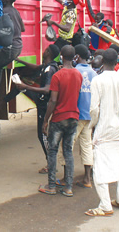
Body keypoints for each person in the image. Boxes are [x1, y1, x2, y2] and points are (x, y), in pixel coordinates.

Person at [86, 49, 119, 217]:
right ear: (117, 61)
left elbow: (94, 108)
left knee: (99, 167)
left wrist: (92, 125)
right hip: (117, 125)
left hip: (103, 126)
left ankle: (105, 205)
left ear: (102, 60)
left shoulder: (97, 81)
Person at [37, 45, 81, 197]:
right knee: (68, 151)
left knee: (53, 151)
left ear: (61, 56)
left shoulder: (57, 76)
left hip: (59, 118)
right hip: (73, 117)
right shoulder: (78, 74)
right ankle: (68, 187)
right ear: (74, 57)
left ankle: (51, 186)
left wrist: (45, 121)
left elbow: (53, 101)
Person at [9, 45, 61, 172]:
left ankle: (50, 164)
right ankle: (2, 101)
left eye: (46, 49)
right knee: (20, 88)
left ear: (48, 52)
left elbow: (47, 89)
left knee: (42, 135)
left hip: (44, 105)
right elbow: (36, 67)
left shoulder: (49, 70)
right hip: (42, 102)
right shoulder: (48, 66)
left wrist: (26, 86)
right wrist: (20, 61)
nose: (43, 50)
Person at [72, 45, 95, 188]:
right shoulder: (94, 73)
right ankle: (87, 179)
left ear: (77, 57)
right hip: (89, 115)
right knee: (87, 145)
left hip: (76, 114)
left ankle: (66, 178)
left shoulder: (75, 72)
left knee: (67, 145)